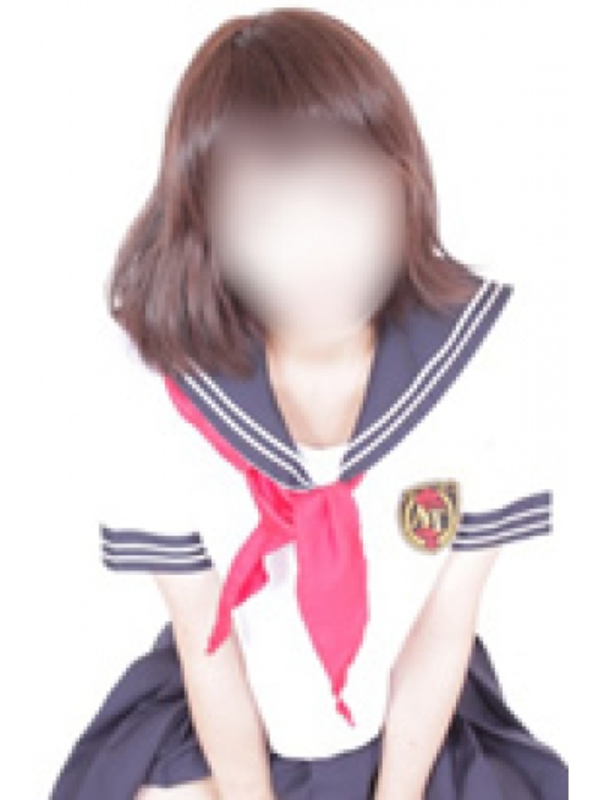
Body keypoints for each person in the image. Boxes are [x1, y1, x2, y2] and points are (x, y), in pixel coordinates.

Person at [49, 8, 568, 799]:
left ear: (403, 184)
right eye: (263, 215)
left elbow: (443, 626)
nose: (314, 250)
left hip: (411, 710)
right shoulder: (159, 386)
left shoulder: (486, 366)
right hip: (228, 710)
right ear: (209, 228)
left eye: (344, 195)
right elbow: (205, 639)